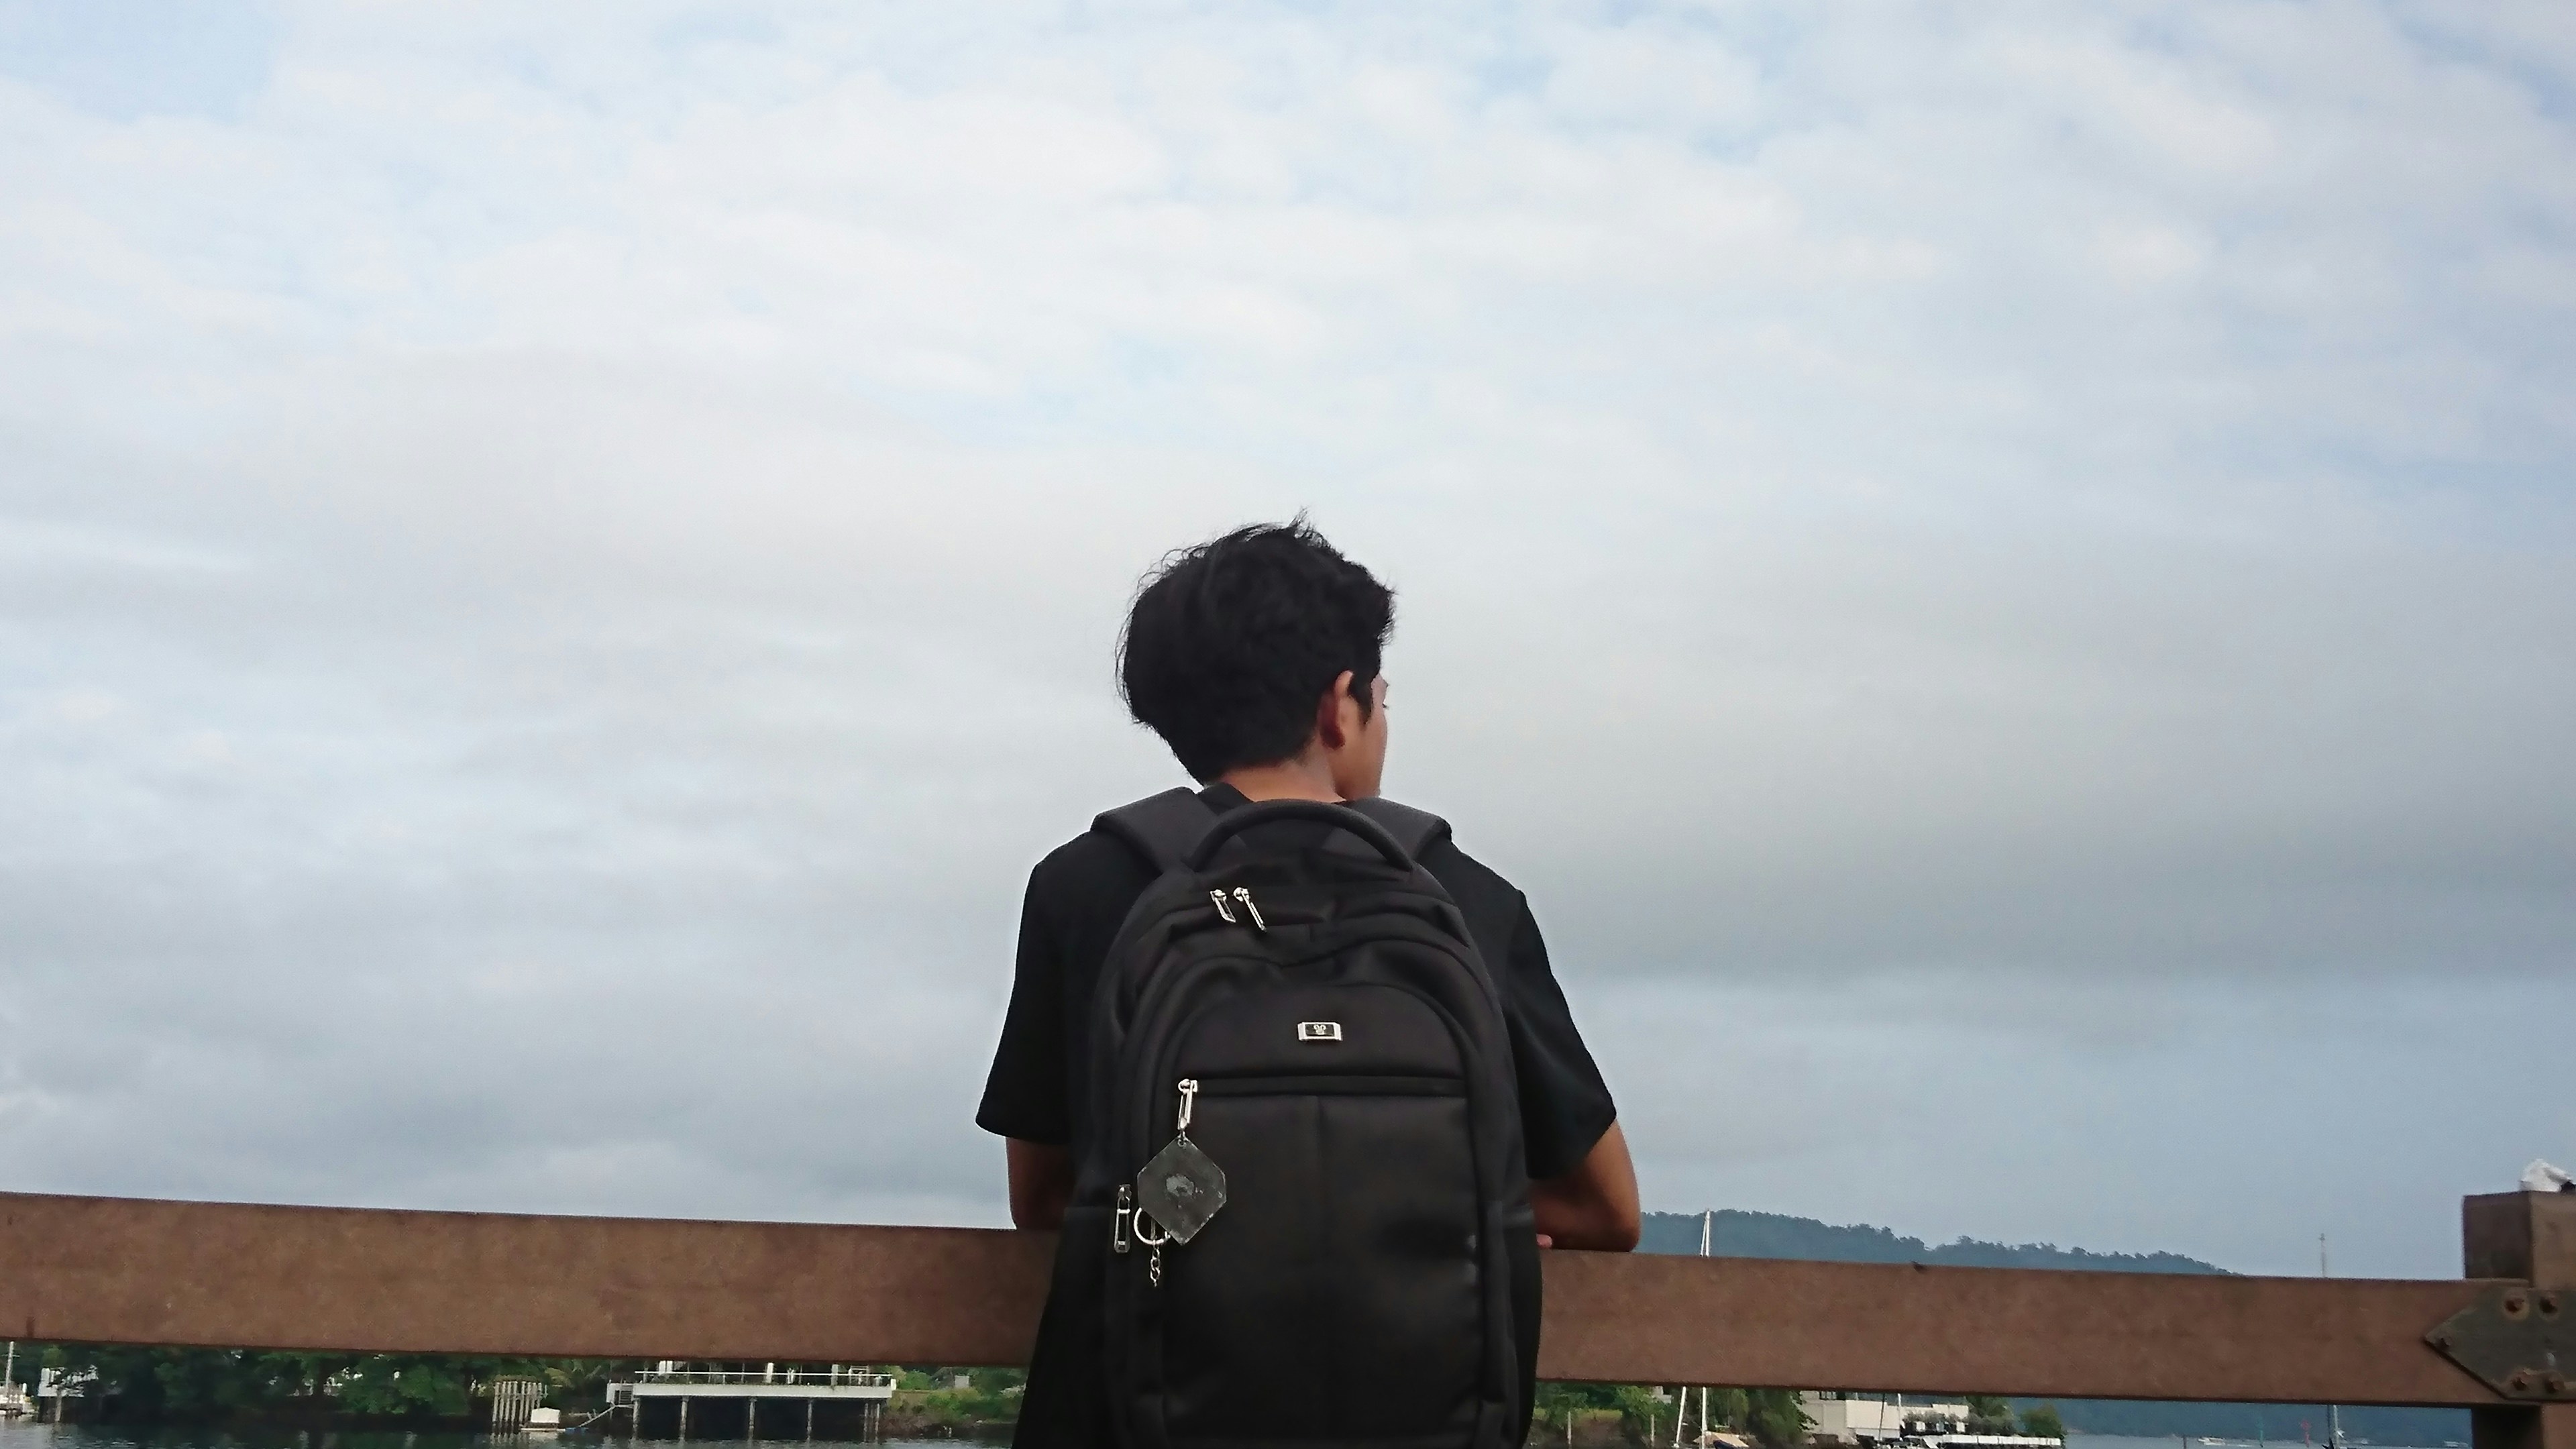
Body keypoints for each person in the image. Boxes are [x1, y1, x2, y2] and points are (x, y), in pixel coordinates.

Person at [977, 519, 1640, 1444]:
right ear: (1341, 706)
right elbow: (1606, 1211)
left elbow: (1048, 1198)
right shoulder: (1461, 897)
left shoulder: (1085, 885)